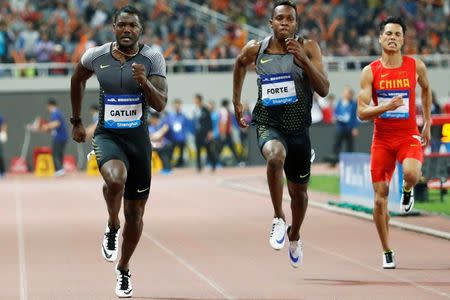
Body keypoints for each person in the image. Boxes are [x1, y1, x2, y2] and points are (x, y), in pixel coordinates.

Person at [69, 5, 168, 297]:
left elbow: (160, 104)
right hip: (108, 134)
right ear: (113, 27)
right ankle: (112, 224)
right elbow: (77, 79)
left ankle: (123, 268)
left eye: (133, 26)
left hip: (138, 141)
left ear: (140, 30)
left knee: (136, 215)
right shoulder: (95, 55)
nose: (127, 30)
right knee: (114, 179)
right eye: (122, 25)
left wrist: (144, 82)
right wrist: (76, 121)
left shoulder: (152, 58)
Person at [232, 0, 329, 268]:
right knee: (275, 156)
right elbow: (240, 64)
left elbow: (324, 89)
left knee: (300, 196)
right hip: (268, 122)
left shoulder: (308, 47)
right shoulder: (257, 48)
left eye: (290, 19)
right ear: (270, 23)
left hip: (299, 128)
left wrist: (304, 62)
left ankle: (295, 234)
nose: (284, 23)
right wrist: (236, 101)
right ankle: (278, 217)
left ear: (296, 23)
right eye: (280, 18)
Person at [357, 16, 431, 269]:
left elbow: (426, 89)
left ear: (403, 40)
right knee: (380, 198)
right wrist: (386, 106)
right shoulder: (371, 71)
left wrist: (428, 122)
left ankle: (408, 189)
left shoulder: (415, 66)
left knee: (411, 173)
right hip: (382, 140)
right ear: (380, 38)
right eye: (388, 33)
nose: (393, 37)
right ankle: (387, 250)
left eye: (398, 34)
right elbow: (361, 112)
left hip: (407, 134)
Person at [330, 86, 359, 167]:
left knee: (350, 145)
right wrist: (334, 117)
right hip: (340, 127)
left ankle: (349, 163)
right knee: (336, 145)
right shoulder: (339, 102)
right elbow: (335, 112)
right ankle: (333, 162)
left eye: (348, 93)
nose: (346, 94)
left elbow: (354, 116)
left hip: (349, 127)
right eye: (345, 92)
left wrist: (354, 127)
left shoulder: (353, 103)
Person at [40, 98, 69, 176]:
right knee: (59, 154)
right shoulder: (58, 112)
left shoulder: (55, 113)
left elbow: (57, 123)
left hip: (59, 137)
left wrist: (46, 126)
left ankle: (59, 170)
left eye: (47, 106)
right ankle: (61, 169)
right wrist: (48, 128)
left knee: (55, 153)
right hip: (63, 137)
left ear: (50, 105)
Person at [193, 93, 217, 172]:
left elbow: (209, 122)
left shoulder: (205, 109)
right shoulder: (195, 110)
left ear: (200, 100)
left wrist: (210, 132)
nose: (195, 101)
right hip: (198, 134)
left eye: (196, 99)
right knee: (198, 150)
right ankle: (199, 167)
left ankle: (213, 165)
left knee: (208, 150)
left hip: (205, 133)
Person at [166, 98, 190, 167]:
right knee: (171, 152)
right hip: (173, 138)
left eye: (178, 105)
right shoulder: (170, 116)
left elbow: (187, 127)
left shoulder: (184, 116)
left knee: (181, 154)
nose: (177, 106)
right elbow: (167, 126)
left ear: (180, 105)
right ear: (173, 106)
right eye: (176, 105)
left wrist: (185, 136)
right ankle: (169, 165)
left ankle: (180, 165)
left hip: (182, 138)